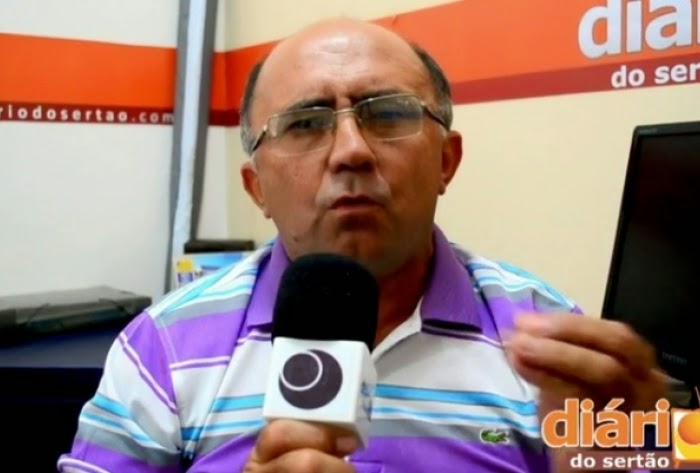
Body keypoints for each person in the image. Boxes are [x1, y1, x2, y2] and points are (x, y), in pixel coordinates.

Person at [58, 17, 666, 473]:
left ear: (447, 162)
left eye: (388, 114)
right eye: (305, 123)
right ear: (257, 187)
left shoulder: (550, 339)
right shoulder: (162, 348)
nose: (351, 151)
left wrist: (642, 456)